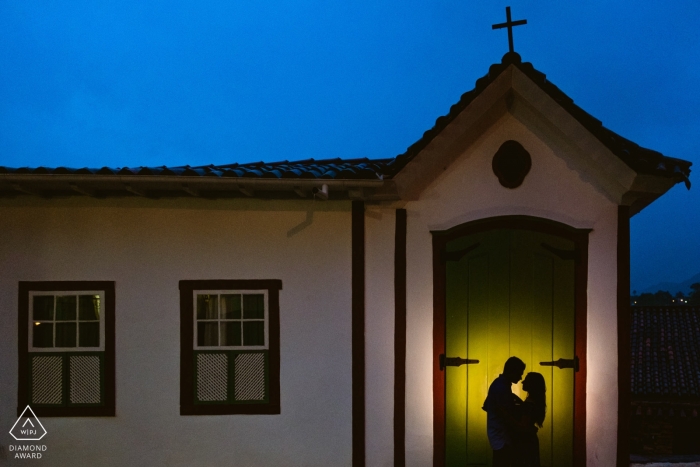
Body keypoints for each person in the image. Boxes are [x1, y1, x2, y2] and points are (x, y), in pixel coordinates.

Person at [482, 356, 527, 467]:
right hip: (502, 438)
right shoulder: (502, 387)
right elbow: (506, 415)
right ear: (512, 371)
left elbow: (487, 406)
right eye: (519, 373)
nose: (521, 377)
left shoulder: (498, 384)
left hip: (498, 437)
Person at [513, 372, 547, 467]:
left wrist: (504, 415)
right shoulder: (535, 402)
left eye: (526, 380)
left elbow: (522, 426)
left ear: (532, 385)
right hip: (530, 441)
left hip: (524, 443)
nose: (523, 382)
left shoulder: (529, 405)